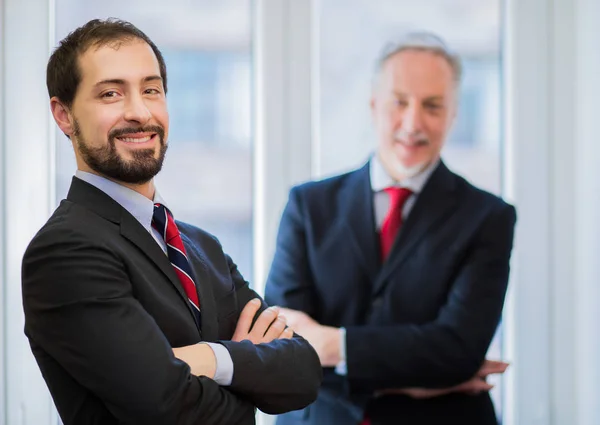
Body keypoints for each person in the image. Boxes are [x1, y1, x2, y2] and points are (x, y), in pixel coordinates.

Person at [21, 18, 321, 425]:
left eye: (151, 90)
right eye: (111, 93)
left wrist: (209, 358)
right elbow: (164, 408)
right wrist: (248, 377)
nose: (139, 111)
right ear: (64, 115)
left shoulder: (202, 246)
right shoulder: (65, 251)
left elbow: (303, 372)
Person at [265, 32, 516, 425]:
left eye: (433, 106)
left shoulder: (488, 217)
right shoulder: (309, 205)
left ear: (453, 114)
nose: (413, 123)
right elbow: (282, 342)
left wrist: (335, 345)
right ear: (373, 105)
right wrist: (415, 378)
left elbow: (459, 350)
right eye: (399, 102)